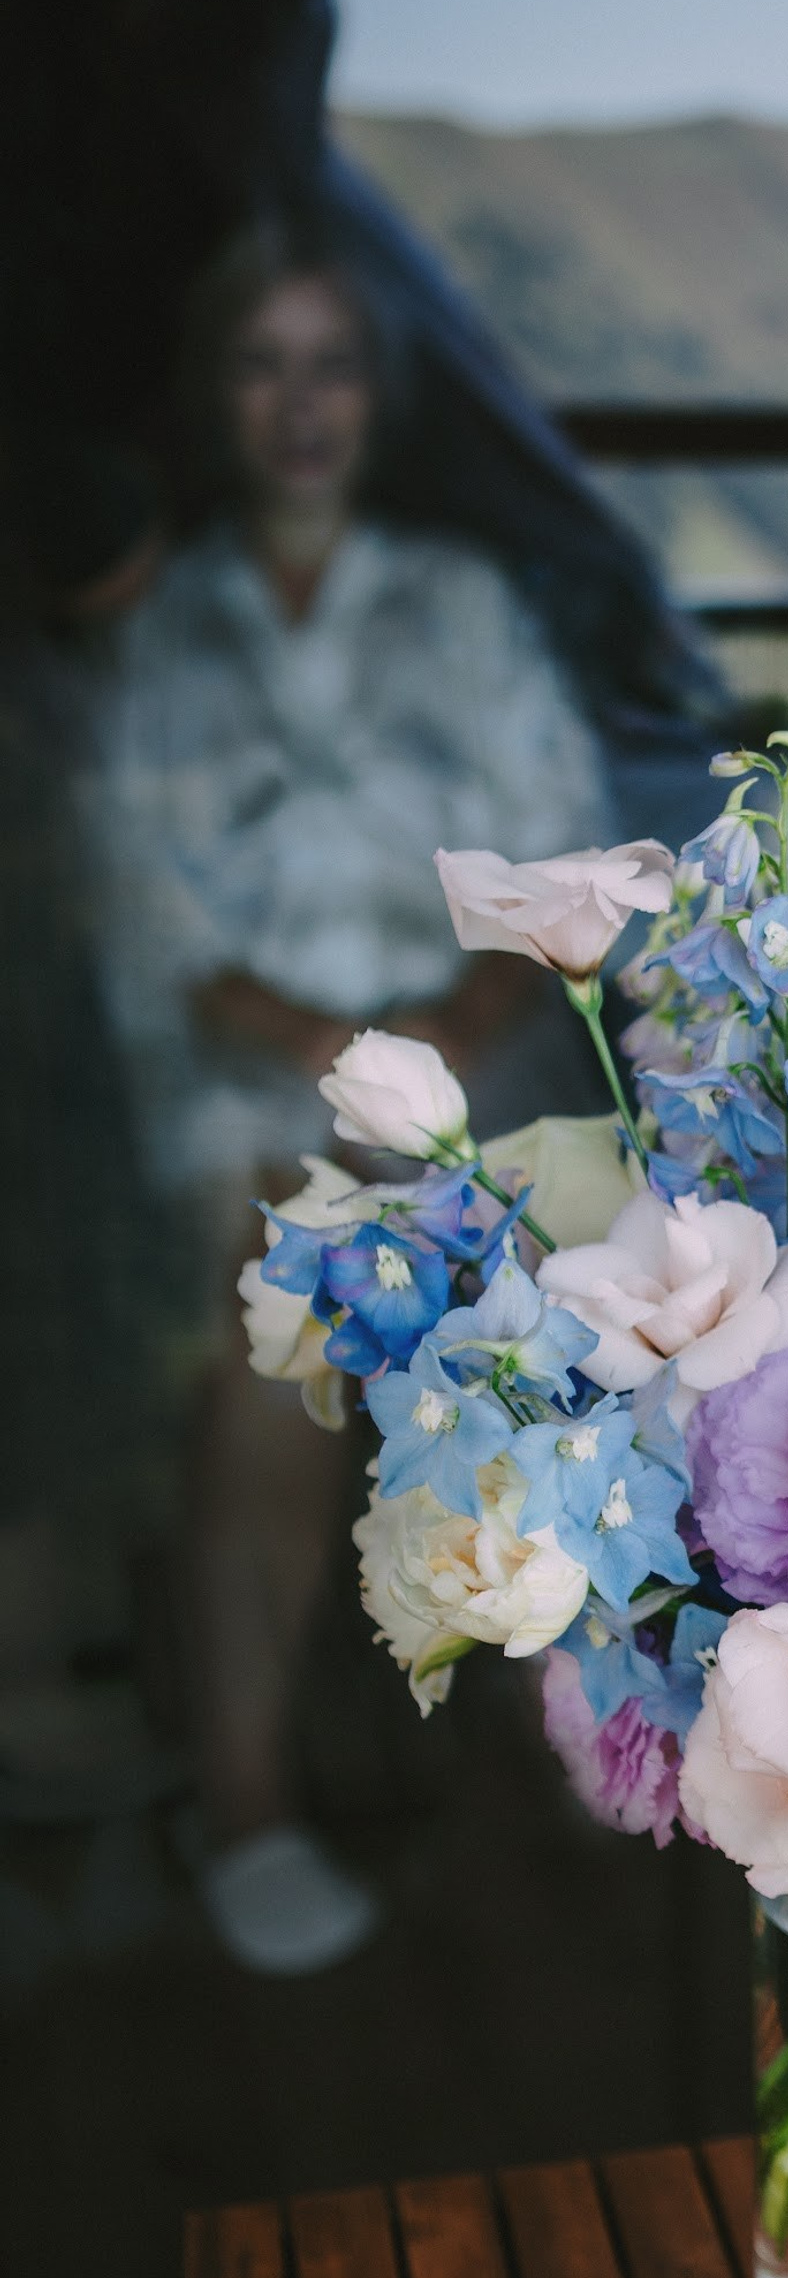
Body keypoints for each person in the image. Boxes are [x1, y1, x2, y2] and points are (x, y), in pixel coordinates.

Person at [89, 223, 611, 1975]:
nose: (300, 404)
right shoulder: (162, 629)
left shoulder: (465, 608)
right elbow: (149, 918)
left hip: (471, 1068)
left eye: (334, 363)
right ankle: (246, 1795)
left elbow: (557, 869)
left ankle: (580, 1735)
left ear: (376, 398)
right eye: (263, 363)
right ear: (215, 396)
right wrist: (335, 1073)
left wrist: (442, 1038)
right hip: (242, 1092)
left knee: (547, 1329)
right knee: (277, 1356)